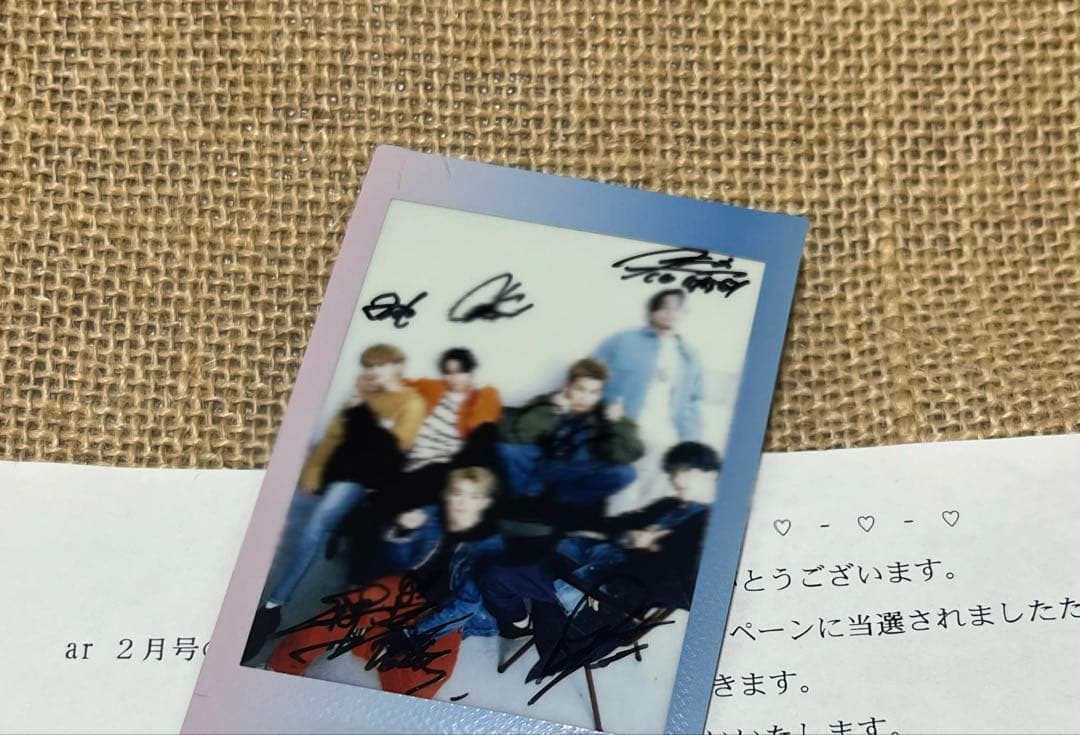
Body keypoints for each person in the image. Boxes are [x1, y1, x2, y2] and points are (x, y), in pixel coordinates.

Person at [242, 343, 426, 663]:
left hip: (368, 478)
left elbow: (391, 450)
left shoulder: (411, 402)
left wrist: (359, 411)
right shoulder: (364, 395)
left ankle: (272, 606)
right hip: (342, 470)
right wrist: (313, 472)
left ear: (397, 365)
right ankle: (269, 604)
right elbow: (332, 438)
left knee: (316, 525)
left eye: (379, 364)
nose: (372, 371)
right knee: (298, 519)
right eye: (369, 366)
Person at [266, 467, 504, 699]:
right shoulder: (431, 517)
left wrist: (415, 634)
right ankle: (278, 668)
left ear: (485, 503)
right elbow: (399, 561)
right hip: (405, 586)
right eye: (457, 493)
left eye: (474, 497)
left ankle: (374, 639)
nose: (462, 503)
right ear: (447, 494)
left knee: (419, 685)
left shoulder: (489, 546)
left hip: (444, 611)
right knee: (343, 613)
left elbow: (465, 607)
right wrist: (403, 531)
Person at [479, 441, 720, 646]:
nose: (677, 478)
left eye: (687, 471)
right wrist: (630, 536)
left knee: (494, 573)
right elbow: (620, 524)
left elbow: (684, 592)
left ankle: (521, 625)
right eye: (674, 471)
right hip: (593, 554)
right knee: (521, 535)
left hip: (601, 586)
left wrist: (615, 582)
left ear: (712, 474)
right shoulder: (671, 505)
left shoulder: (709, 532)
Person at [497, 357, 644, 531]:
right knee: (506, 450)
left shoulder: (605, 414)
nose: (585, 398)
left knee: (626, 473)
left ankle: (564, 498)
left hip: (577, 471)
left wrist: (617, 423)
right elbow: (514, 437)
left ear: (600, 394)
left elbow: (633, 452)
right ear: (568, 387)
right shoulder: (548, 403)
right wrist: (553, 411)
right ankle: (526, 497)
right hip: (543, 468)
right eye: (580, 389)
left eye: (593, 392)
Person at [593, 288, 705, 513]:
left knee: (659, 487)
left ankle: (636, 529)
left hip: (667, 433)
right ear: (652, 312)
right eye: (664, 307)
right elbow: (591, 374)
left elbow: (694, 401)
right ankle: (614, 527)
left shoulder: (690, 356)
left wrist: (691, 438)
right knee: (625, 484)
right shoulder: (622, 341)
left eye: (677, 309)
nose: (670, 313)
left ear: (685, 314)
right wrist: (606, 407)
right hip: (627, 428)